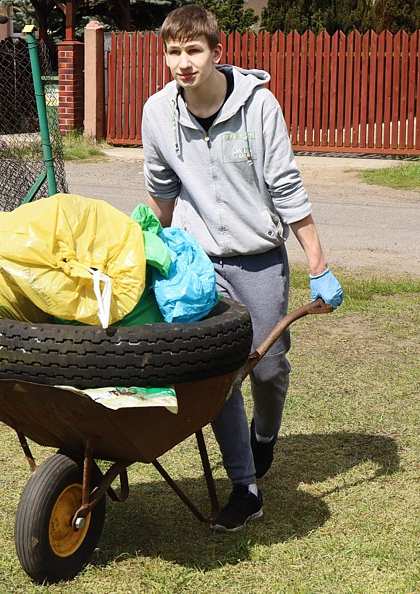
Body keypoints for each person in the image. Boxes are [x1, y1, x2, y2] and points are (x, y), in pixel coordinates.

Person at [141, 4, 344, 533]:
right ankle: (245, 487)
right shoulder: (158, 114)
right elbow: (161, 195)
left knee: (270, 367)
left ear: (216, 52)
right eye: (173, 52)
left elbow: (286, 187)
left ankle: (266, 436)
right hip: (200, 263)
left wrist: (317, 263)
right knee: (221, 375)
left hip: (259, 257)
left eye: (194, 51)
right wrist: (147, 254)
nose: (183, 63)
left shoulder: (258, 106)